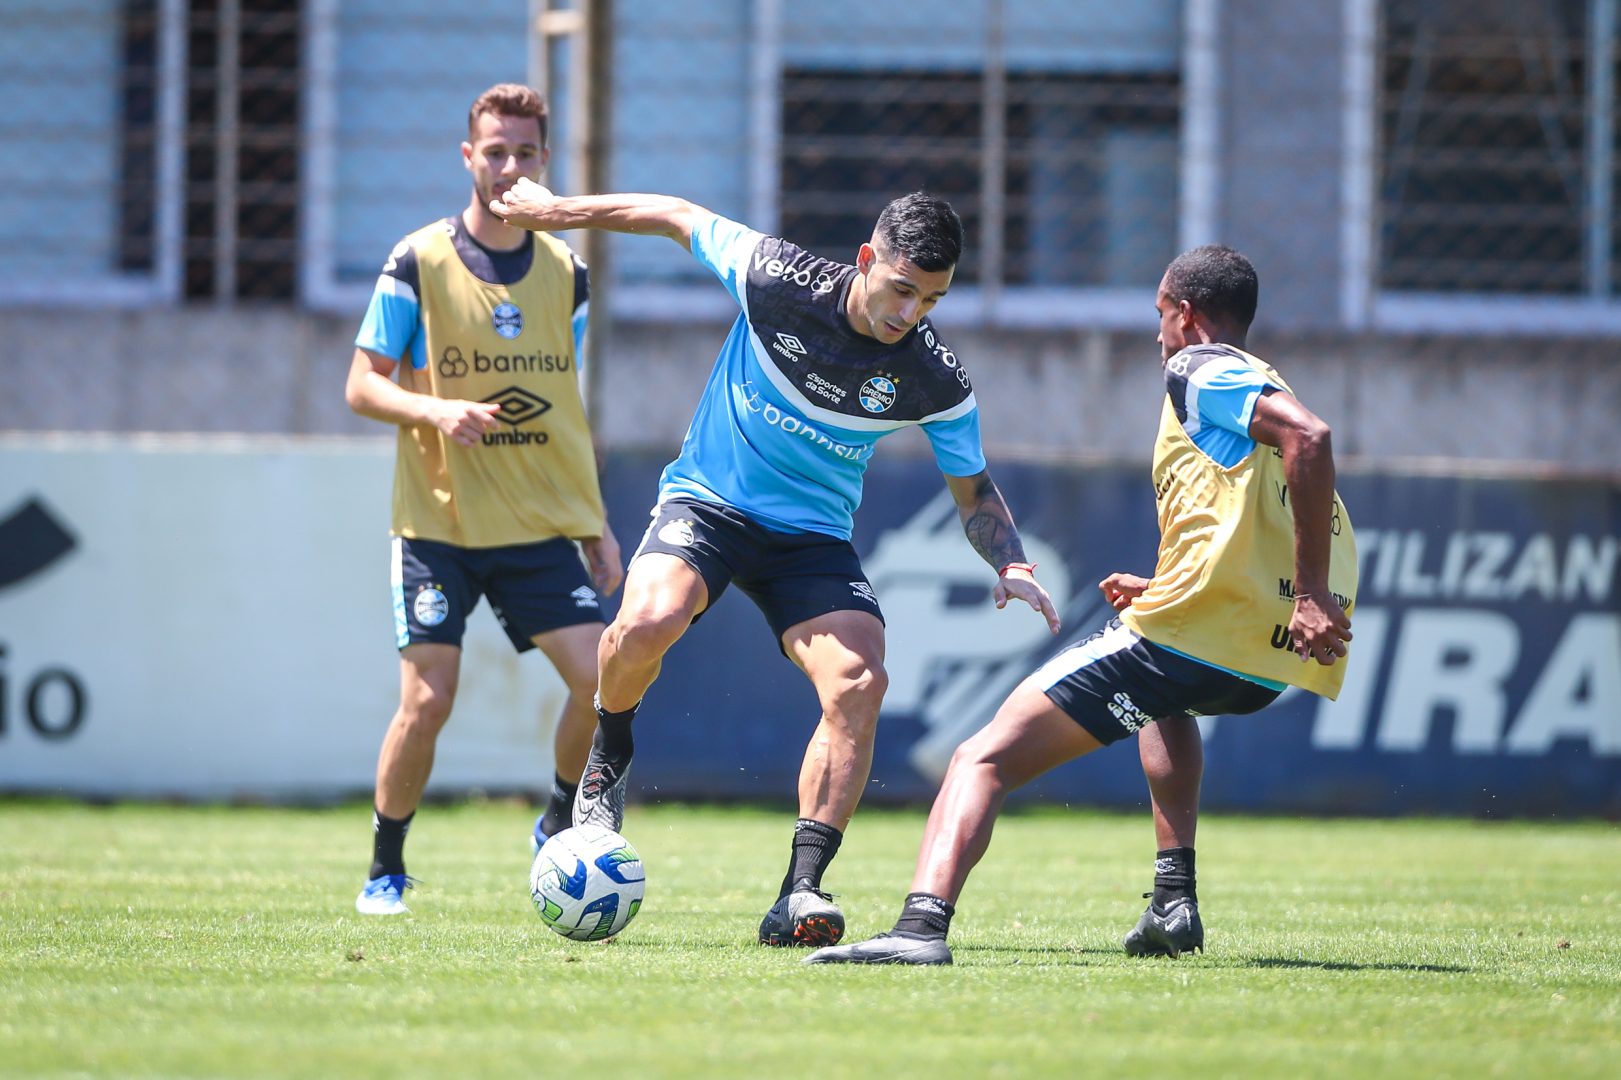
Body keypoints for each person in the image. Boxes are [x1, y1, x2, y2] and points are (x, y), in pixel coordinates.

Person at [490, 180, 1061, 947]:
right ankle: (610, 752)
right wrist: (558, 212)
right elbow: (674, 216)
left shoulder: (934, 377)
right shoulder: (776, 278)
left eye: (930, 301)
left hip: (810, 538)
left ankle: (800, 893)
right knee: (647, 621)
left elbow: (973, 489)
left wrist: (1011, 562)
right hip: (707, 505)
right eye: (900, 290)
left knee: (859, 681)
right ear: (866, 260)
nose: (909, 314)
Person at [803, 244, 1358, 965]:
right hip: (1261, 661)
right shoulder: (1256, 382)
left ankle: (918, 929)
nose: (1157, 332)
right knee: (1168, 702)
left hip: (1201, 639)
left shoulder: (1198, 367)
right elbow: (1254, 514)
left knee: (979, 759)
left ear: (1185, 315)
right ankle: (1172, 901)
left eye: (1160, 314)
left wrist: (1310, 593)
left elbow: (1309, 438)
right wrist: (1166, 591)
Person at [344, 84, 622, 916]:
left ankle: (554, 817)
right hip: (438, 523)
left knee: (603, 679)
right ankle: (386, 867)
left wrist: (593, 523)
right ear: (468, 156)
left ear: (547, 159)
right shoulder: (417, 261)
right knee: (427, 700)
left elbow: (562, 413)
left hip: (535, 525)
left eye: (525, 152)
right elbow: (361, 386)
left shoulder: (567, 274)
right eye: (494, 151)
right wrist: (435, 409)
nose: (509, 167)